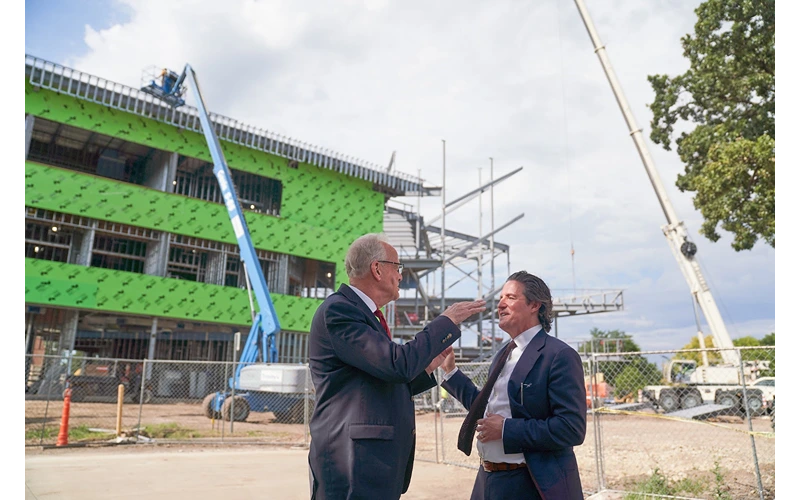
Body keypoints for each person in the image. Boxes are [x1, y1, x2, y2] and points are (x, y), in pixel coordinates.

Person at [307, 232, 487, 500]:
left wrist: (426, 367)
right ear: (377, 269)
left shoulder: (364, 316)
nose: (401, 276)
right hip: (351, 463)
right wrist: (446, 321)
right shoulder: (340, 311)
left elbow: (379, 380)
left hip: (366, 462)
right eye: (397, 267)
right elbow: (395, 364)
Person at [441, 271, 587, 500]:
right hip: (487, 481)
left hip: (529, 484)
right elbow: (485, 411)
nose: (500, 304)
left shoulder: (558, 355)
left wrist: (506, 429)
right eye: (501, 298)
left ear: (535, 305)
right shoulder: (504, 354)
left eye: (510, 297)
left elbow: (571, 428)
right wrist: (450, 371)